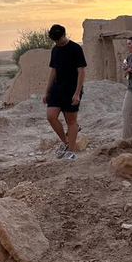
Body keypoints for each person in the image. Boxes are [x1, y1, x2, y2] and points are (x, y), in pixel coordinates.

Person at [42, 24, 86, 160]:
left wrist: (77, 93)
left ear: (64, 35)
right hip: (57, 89)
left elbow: (81, 71)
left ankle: (70, 151)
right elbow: (53, 71)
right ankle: (65, 141)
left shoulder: (75, 49)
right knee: (51, 116)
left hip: (71, 89)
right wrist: (47, 91)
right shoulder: (55, 50)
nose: (57, 43)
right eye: (54, 41)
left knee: (71, 121)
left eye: (58, 40)